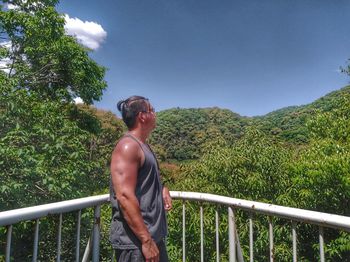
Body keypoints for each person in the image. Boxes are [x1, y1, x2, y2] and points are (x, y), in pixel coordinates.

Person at [110, 96, 172, 262]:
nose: (155, 113)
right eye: (152, 110)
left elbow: (145, 179)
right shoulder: (128, 146)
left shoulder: (143, 146)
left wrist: (162, 188)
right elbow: (124, 196)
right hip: (136, 243)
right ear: (142, 116)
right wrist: (146, 241)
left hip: (151, 238)